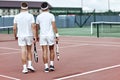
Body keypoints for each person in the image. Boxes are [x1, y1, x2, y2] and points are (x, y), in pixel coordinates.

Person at [13, 2, 37, 74]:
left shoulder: (16, 16)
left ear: (21, 8)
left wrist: (15, 36)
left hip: (20, 36)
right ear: (27, 8)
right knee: (29, 51)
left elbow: (14, 28)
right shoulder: (31, 16)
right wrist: (35, 36)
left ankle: (24, 68)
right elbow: (33, 27)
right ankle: (29, 65)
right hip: (29, 35)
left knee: (23, 51)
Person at [36, 2, 59, 72]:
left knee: (44, 51)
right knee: (51, 50)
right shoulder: (51, 15)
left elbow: (37, 27)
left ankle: (46, 67)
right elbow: (54, 26)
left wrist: (36, 36)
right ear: (47, 7)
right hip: (50, 35)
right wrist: (57, 35)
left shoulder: (38, 17)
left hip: (42, 35)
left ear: (41, 8)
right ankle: (51, 65)